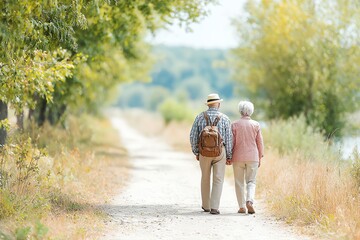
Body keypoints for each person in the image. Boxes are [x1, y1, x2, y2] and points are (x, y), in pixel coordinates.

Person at [190, 93, 233, 215]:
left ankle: (206, 206)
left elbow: (192, 136)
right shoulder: (224, 118)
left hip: (204, 152)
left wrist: (196, 151)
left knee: (205, 177)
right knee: (218, 179)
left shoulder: (199, 117)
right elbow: (229, 138)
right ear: (218, 104)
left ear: (208, 105)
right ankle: (215, 207)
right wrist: (229, 155)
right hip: (220, 152)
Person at [230, 100, 264, 214]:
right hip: (253, 157)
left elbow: (231, 142)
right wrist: (260, 156)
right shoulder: (256, 125)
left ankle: (241, 206)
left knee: (239, 182)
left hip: (238, 157)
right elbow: (260, 143)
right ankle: (249, 201)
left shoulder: (234, 124)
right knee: (251, 181)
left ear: (240, 111)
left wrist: (229, 156)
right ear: (251, 111)